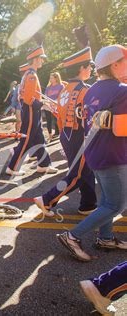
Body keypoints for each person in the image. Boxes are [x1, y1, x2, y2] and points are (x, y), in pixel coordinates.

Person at [56, 44, 127, 261]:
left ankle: (105, 238)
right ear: (115, 65)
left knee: (106, 199)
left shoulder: (92, 89)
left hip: (95, 153)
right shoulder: (122, 90)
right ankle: (72, 236)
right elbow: (120, 129)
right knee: (117, 204)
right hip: (113, 155)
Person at [34, 47, 97, 217]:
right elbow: (88, 119)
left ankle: (88, 204)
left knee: (85, 170)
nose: (91, 69)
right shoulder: (86, 90)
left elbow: (59, 117)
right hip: (80, 136)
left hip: (66, 135)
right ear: (81, 69)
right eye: (89, 66)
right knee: (77, 174)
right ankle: (47, 199)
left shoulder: (64, 89)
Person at [6, 46, 58, 176]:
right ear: (35, 59)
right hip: (30, 110)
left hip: (32, 111)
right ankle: (13, 167)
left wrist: (43, 103)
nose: (43, 61)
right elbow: (29, 99)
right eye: (41, 59)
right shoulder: (31, 75)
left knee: (39, 137)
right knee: (26, 139)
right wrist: (43, 104)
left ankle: (44, 164)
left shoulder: (30, 74)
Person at [43, 72, 63, 141]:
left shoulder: (61, 86)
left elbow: (62, 96)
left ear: (56, 78)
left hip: (56, 106)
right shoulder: (48, 87)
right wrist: (46, 101)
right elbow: (45, 96)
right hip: (48, 105)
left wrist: (55, 102)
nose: (50, 79)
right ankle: (50, 135)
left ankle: (59, 134)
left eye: (52, 78)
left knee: (57, 120)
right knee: (48, 120)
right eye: (50, 78)